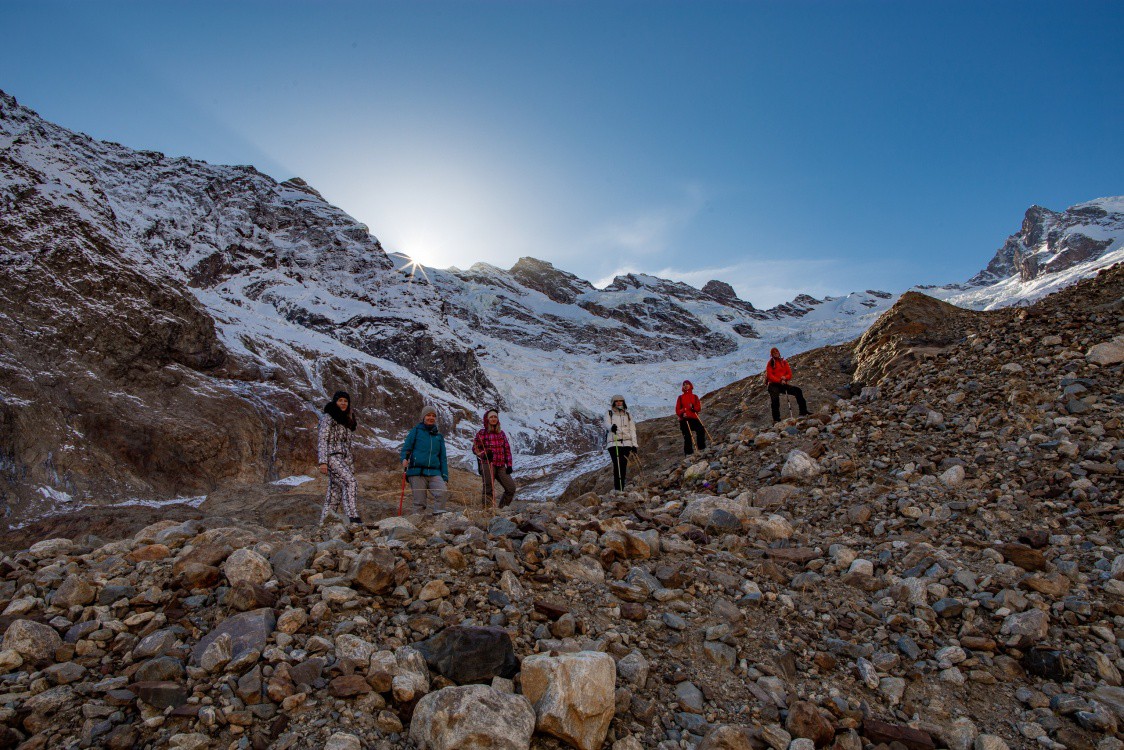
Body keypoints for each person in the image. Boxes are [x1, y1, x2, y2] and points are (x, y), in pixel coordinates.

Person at [317, 390, 362, 525]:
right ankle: (352, 516)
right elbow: (322, 439)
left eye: (345, 401)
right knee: (350, 482)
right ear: (335, 402)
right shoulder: (328, 417)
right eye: (340, 400)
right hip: (331, 456)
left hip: (344, 459)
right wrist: (323, 462)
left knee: (334, 493)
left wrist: (349, 464)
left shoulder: (347, 420)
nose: (343, 403)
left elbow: (346, 445)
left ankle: (324, 523)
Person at [401, 405, 449, 514]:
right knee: (419, 502)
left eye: (433, 416)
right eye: (428, 415)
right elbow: (406, 448)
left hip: (434, 472)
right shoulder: (415, 431)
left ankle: (439, 517)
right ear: (423, 417)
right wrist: (404, 459)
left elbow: (443, 458)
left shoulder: (439, 436)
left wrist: (445, 476)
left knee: (442, 492)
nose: (431, 418)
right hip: (416, 472)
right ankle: (418, 522)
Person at [472, 409, 516, 508]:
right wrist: (484, 454)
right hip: (487, 464)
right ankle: (487, 511)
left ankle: (501, 509)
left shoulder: (501, 433)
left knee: (511, 488)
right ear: (487, 419)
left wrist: (509, 465)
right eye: (491, 417)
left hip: (501, 465)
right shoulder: (482, 433)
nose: (493, 419)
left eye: (495, 417)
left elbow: (507, 450)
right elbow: (475, 448)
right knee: (488, 488)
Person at [764, 347, 809, 423]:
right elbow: (769, 375)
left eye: (776, 352)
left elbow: (789, 373)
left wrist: (785, 378)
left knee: (798, 391)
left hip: (782, 383)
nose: (776, 353)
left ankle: (803, 412)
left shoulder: (784, 362)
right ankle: (776, 420)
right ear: (772, 354)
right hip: (773, 385)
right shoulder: (770, 363)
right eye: (774, 352)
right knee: (775, 400)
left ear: (779, 352)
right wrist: (780, 380)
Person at [604, 395, 639, 491]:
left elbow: (632, 430)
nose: (619, 402)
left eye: (621, 401)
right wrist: (611, 427)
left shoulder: (628, 415)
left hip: (627, 444)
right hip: (614, 443)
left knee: (623, 465)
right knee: (617, 465)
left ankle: (621, 488)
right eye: (616, 401)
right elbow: (606, 424)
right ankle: (618, 488)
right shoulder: (609, 413)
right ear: (613, 403)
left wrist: (634, 444)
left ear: (623, 402)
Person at [675, 380, 705, 455]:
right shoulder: (680, 397)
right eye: (684, 385)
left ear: (690, 385)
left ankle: (701, 448)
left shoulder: (695, 397)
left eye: (687, 384)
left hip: (693, 418)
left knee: (701, 430)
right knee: (687, 436)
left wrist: (693, 407)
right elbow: (677, 409)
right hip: (684, 419)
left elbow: (698, 408)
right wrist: (682, 413)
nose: (685, 386)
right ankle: (689, 453)